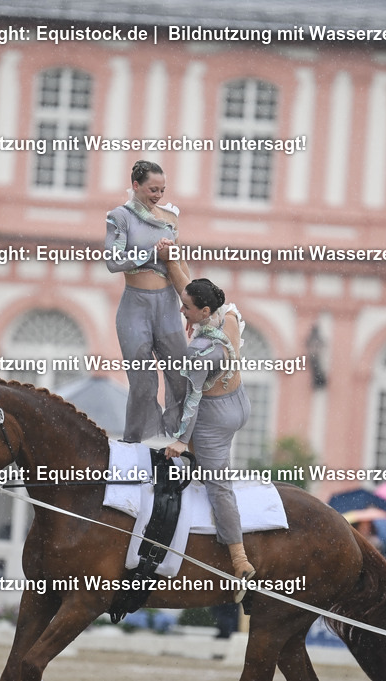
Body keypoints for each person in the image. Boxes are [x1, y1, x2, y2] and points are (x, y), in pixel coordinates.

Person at [160, 265, 254, 601]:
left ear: (203, 311)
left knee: (218, 485)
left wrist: (181, 440)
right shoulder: (226, 317)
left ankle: (240, 560)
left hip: (215, 418)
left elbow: (193, 401)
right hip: (239, 402)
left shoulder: (200, 350)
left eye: (186, 308)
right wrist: (172, 260)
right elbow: (190, 288)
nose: (181, 310)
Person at [105, 160, 190, 443]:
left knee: (181, 379)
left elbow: (179, 263)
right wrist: (153, 253)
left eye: (162, 190)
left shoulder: (170, 218)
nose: (158, 195)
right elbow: (113, 261)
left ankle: (182, 442)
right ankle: (132, 444)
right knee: (143, 384)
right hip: (135, 309)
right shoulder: (120, 217)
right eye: (153, 189)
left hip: (167, 307)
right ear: (136, 185)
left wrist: (191, 305)